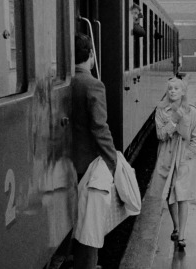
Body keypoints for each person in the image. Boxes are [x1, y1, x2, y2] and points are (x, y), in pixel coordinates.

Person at [71, 33, 117, 269]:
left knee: (79, 220)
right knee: (91, 221)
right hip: (89, 163)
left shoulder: (67, 82)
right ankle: (90, 265)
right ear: (91, 55)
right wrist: (113, 161)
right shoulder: (93, 84)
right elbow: (100, 127)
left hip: (68, 161)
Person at [155, 77, 196, 249]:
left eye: (176, 88)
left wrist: (188, 155)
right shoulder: (161, 110)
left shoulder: (192, 111)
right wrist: (174, 120)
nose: (173, 91)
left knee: (183, 195)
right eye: (170, 88)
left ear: (183, 91)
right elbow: (160, 135)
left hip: (184, 159)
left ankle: (182, 235)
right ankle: (175, 225)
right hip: (167, 158)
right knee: (169, 194)